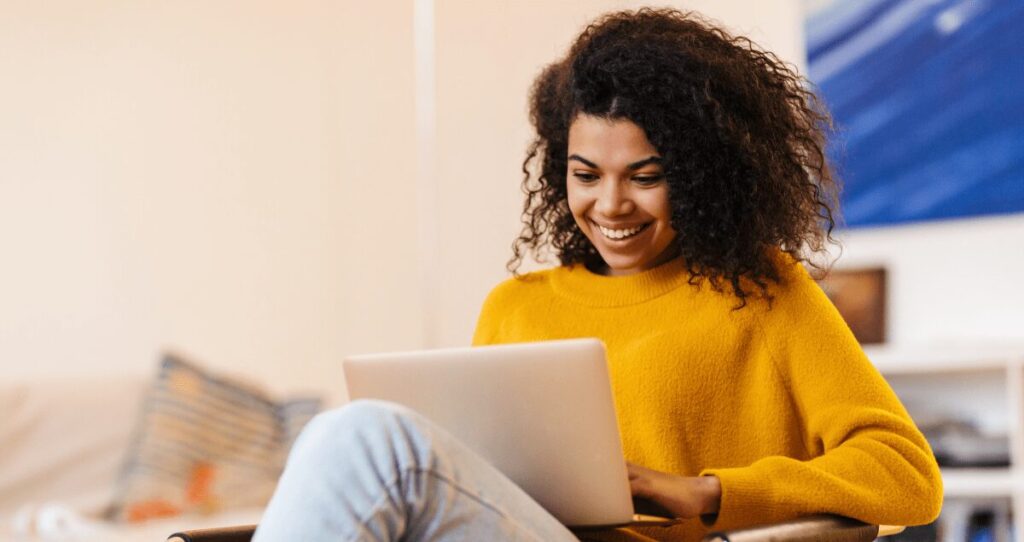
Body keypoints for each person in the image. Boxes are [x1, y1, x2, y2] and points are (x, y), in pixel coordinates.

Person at [253, 8, 943, 542]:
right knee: (355, 438)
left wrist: (709, 492)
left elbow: (907, 475)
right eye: (585, 175)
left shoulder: (762, 292)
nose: (609, 205)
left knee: (365, 437)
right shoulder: (515, 306)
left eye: (646, 177)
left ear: (702, 176)